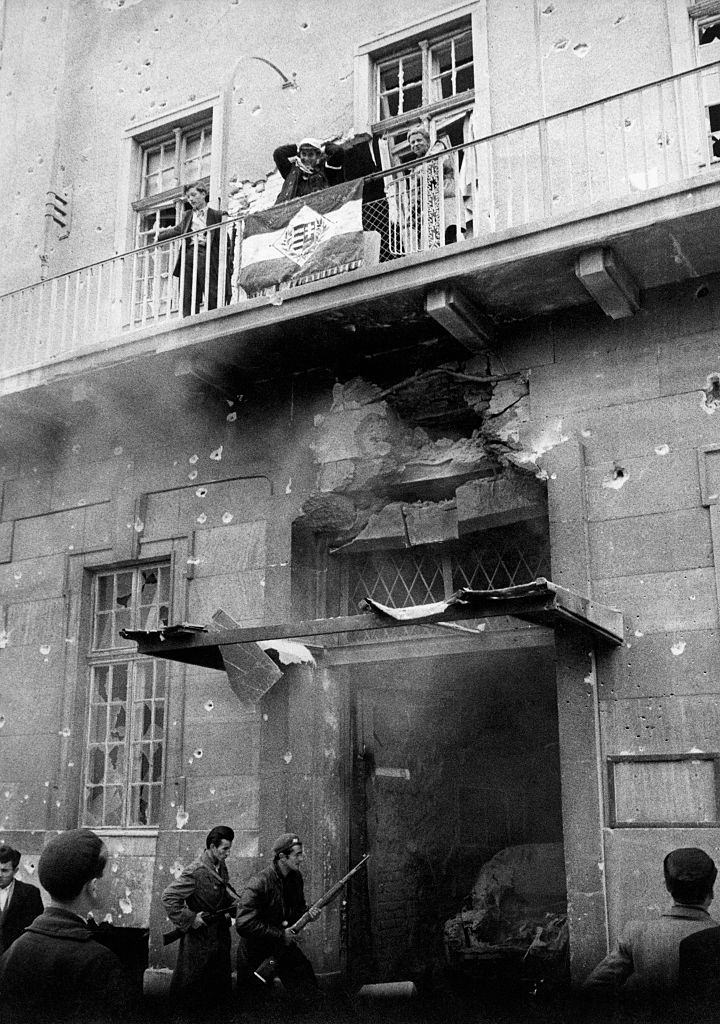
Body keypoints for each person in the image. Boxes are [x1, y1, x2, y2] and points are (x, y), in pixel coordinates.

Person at [0, 828, 125, 1023]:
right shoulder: (99, 963)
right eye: (109, 871)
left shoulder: (13, 952)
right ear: (93, 886)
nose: (114, 878)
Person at [582, 847, 718, 1000]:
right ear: (711, 890)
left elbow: (592, 990)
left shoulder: (637, 933)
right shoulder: (715, 937)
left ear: (667, 886)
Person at [235, 832, 320, 1009]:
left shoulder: (295, 878)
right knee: (254, 1007)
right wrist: (280, 934)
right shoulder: (260, 882)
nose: (301, 859)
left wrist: (308, 913)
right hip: (256, 953)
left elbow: (296, 909)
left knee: (308, 989)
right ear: (282, 856)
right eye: (297, 854)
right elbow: (243, 923)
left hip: (281, 947)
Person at [161, 824, 236, 1012]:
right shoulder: (196, 871)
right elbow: (168, 897)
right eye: (224, 849)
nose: (228, 853)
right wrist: (191, 918)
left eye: (229, 848)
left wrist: (234, 904)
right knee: (191, 994)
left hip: (219, 938)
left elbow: (220, 892)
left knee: (217, 993)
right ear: (212, 847)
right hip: (199, 943)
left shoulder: (220, 865)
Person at [158, 181, 232, 317]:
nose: (190, 199)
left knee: (211, 289)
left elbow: (225, 240)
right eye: (188, 197)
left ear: (203, 194)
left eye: (193, 195)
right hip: (189, 255)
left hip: (207, 255)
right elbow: (178, 229)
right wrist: (159, 237)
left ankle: (212, 319)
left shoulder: (216, 215)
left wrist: (228, 266)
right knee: (188, 292)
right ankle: (189, 320)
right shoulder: (188, 216)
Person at [401, 124, 460, 249]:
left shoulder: (438, 151)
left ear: (427, 142)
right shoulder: (415, 168)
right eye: (412, 142)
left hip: (445, 201)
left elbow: (431, 167)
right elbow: (415, 195)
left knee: (450, 241)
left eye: (418, 140)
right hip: (429, 212)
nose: (415, 144)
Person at [0, 844, 44, 956]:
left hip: (17, 957)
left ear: (15, 871)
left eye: (4, 871)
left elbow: (36, 931)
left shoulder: (30, 894)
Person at [273, 137, 345, 204]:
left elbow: (338, 152)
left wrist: (325, 146)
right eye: (303, 154)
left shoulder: (326, 171)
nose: (306, 158)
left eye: (311, 155)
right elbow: (278, 154)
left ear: (317, 156)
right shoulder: (291, 172)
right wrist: (297, 148)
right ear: (299, 155)